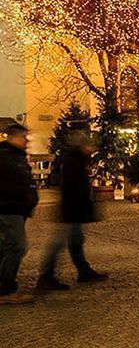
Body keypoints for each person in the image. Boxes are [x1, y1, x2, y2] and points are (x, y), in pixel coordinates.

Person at [36, 124, 108, 291]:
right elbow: (75, 190)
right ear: (82, 146)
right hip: (70, 211)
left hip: (73, 210)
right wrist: (85, 208)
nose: (93, 148)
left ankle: (83, 270)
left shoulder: (76, 161)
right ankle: (46, 276)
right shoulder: (73, 162)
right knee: (59, 243)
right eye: (90, 145)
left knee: (75, 241)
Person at [0, 123, 38, 304]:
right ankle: (5, 290)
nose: (26, 141)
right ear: (14, 137)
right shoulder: (5, 157)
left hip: (16, 209)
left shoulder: (16, 157)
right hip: (9, 208)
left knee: (6, 247)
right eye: (24, 137)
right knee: (17, 246)